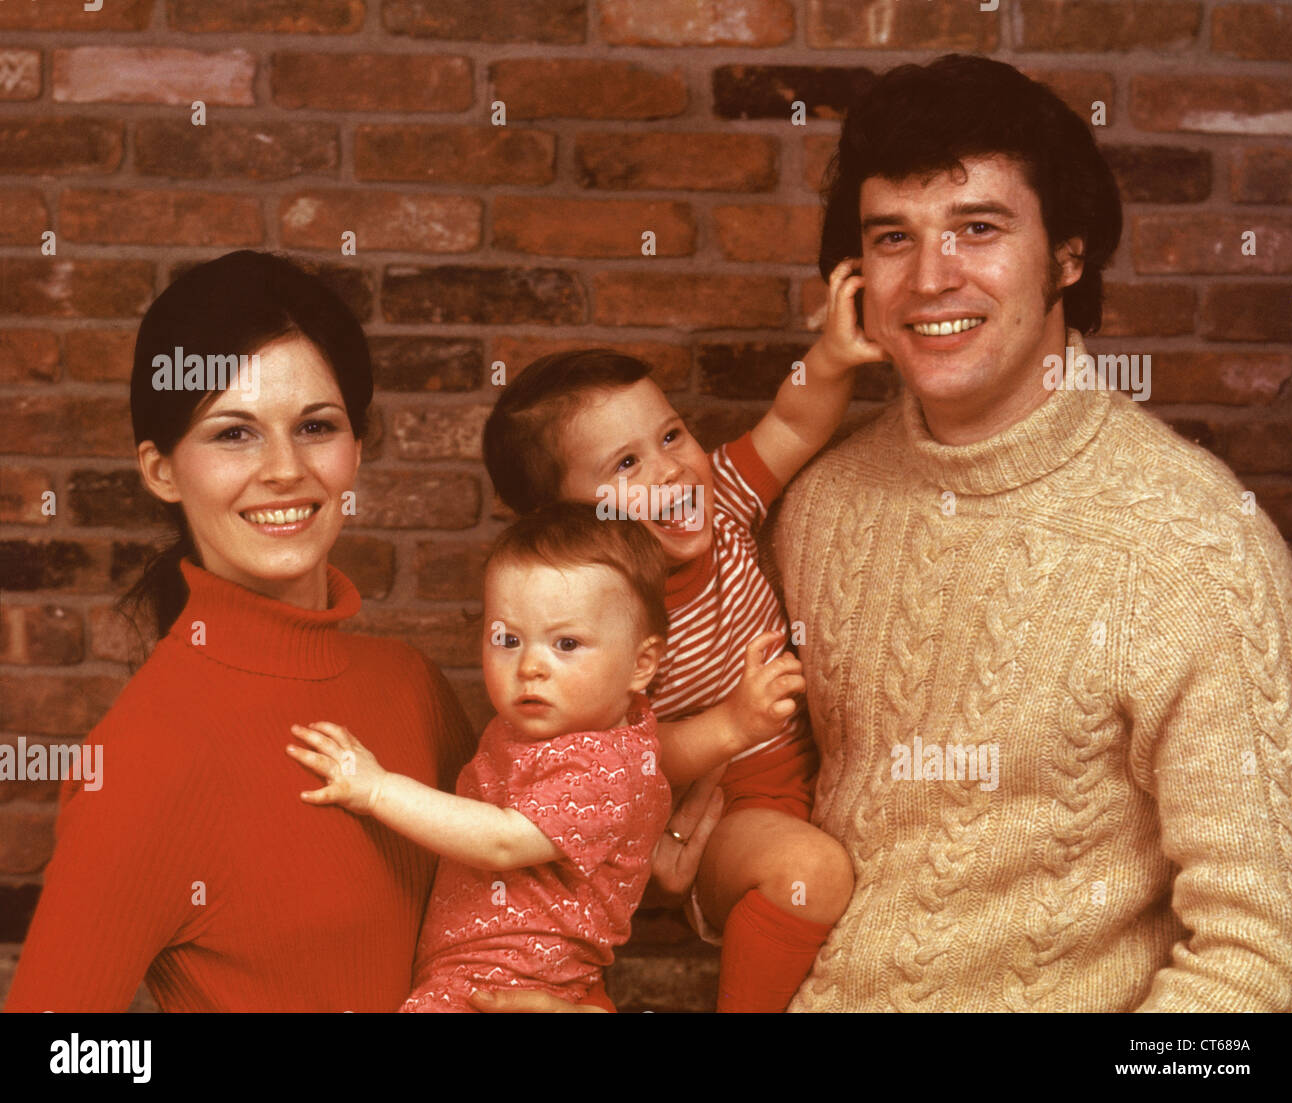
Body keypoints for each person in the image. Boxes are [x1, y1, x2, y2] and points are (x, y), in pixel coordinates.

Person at [768, 53, 1292, 1011]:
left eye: (979, 228)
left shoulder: (1195, 547)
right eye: (894, 237)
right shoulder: (819, 510)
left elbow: (1263, 959)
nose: (931, 278)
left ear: (1067, 256)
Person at [2, 252, 610, 1013]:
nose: (285, 469)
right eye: (234, 434)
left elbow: (539, 923)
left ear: (354, 448)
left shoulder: (408, 684)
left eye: (316, 426)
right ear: (160, 470)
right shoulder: (138, 759)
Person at [480, 305, 882, 1010]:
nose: (670, 468)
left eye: (671, 434)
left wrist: (833, 357)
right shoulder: (598, 610)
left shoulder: (721, 499)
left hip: (816, 779)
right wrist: (731, 724)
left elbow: (793, 424)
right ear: (569, 518)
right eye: (626, 464)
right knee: (808, 871)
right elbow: (614, 762)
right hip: (723, 811)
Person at [288, 505, 672, 1011]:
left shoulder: (603, 765)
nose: (531, 666)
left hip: (504, 984)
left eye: (567, 644)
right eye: (508, 639)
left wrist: (378, 789)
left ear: (640, 664)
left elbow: (501, 841)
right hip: (482, 973)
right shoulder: (562, 727)